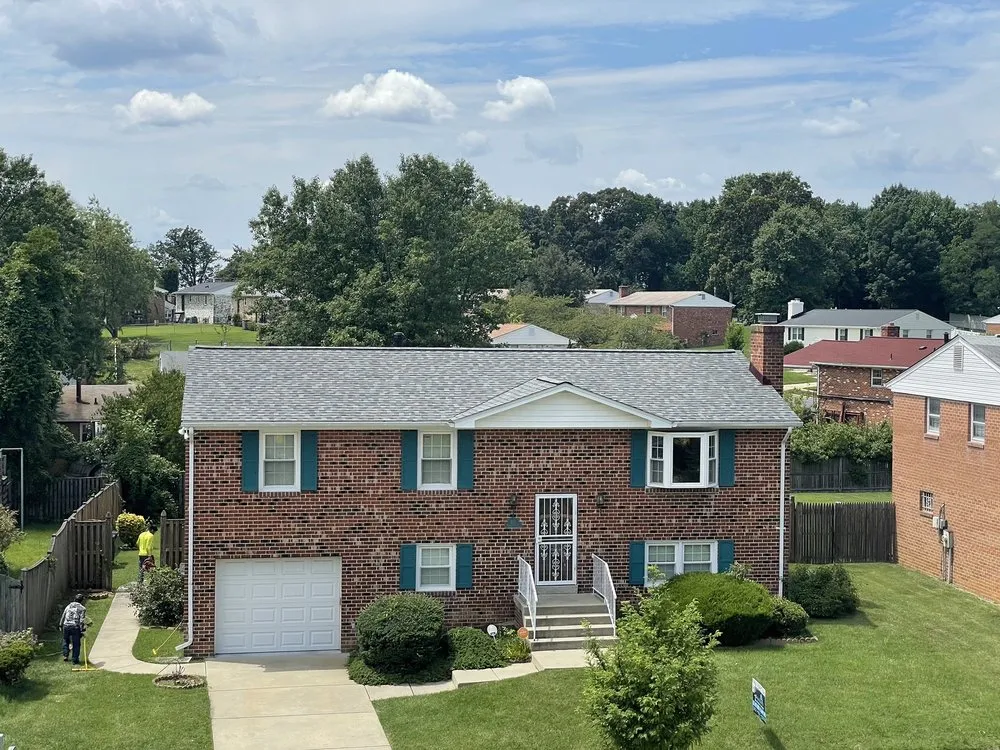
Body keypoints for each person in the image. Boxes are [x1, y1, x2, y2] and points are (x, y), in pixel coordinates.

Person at [59, 594, 87, 665]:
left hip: (66, 625)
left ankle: (65, 655)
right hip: (75, 626)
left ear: (75, 599)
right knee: (76, 643)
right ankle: (75, 660)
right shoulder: (82, 608)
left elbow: (63, 615)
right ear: (82, 601)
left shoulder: (69, 606)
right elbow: (81, 620)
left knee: (66, 640)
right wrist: (81, 629)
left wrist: (60, 624)